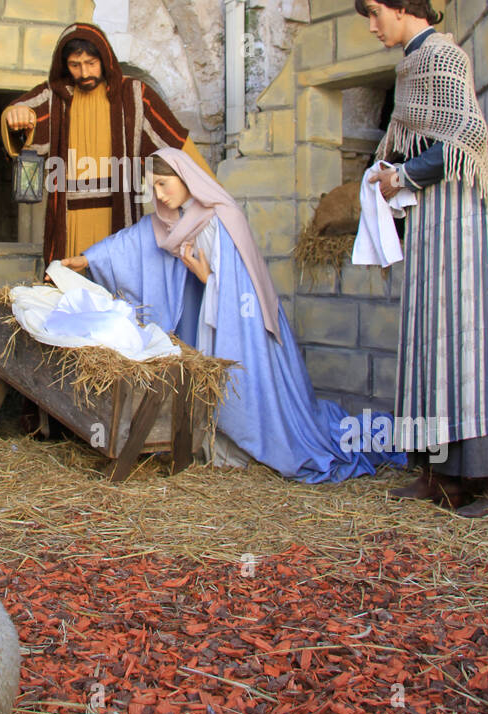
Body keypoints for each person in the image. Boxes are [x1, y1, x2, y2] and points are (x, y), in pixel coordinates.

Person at [62, 148, 403, 482]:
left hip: (241, 326)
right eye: (153, 187)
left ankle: (243, 443)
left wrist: (205, 278)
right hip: (202, 321)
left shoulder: (220, 218)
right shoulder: (168, 220)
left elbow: (242, 292)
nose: (159, 195)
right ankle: (210, 441)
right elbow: (132, 243)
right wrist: (86, 260)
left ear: (186, 179)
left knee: (242, 389)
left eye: (165, 184)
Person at [357, 0, 488, 516]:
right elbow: (422, 140)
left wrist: (403, 177)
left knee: (477, 341)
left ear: (402, 6)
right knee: (436, 341)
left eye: (374, 14)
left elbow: (467, 136)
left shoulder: (441, 55)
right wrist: (390, 172)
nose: (371, 27)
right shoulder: (411, 65)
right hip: (438, 221)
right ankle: (446, 476)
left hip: (469, 223)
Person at [1, 22, 214, 266]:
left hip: (117, 212)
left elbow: (174, 141)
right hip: (69, 220)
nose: (84, 73)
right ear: (64, 65)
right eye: (75, 65)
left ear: (105, 59)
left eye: (91, 63)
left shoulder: (134, 94)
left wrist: (212, 192)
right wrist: (16, 115)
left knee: (118, 288)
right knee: (70, 289)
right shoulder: (55, 96)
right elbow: (19, 112)